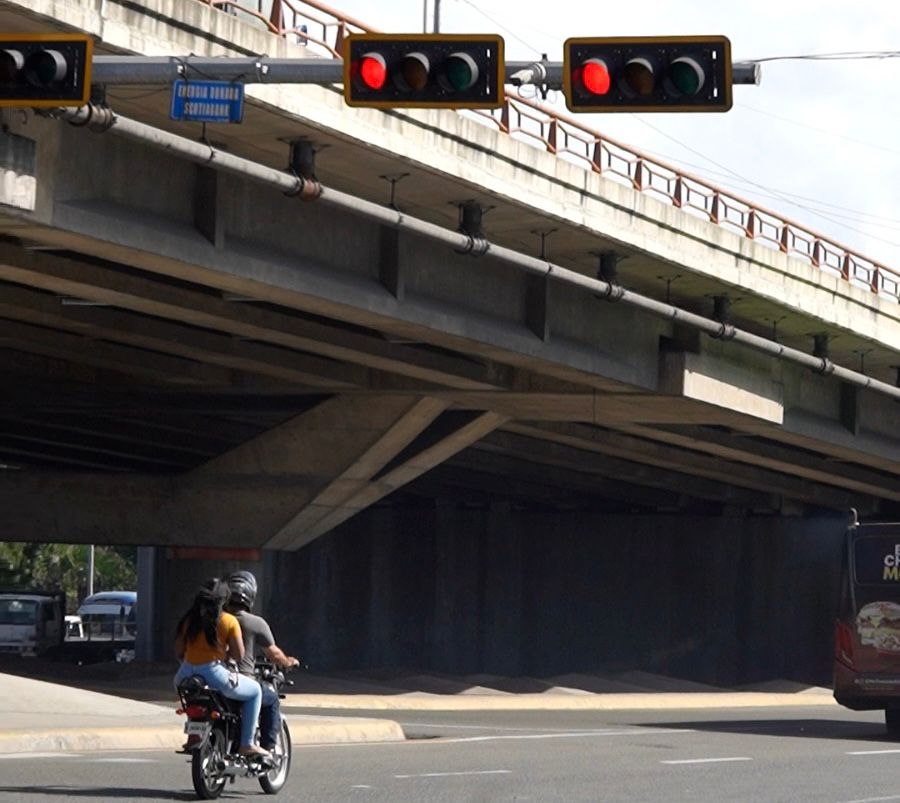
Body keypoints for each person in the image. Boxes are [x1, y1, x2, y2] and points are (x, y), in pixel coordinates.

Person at [173, 578, 268, 757]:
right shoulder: (228, 621)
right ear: (223, 599)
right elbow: (239, 655)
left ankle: (194, 735)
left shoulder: (189, 621)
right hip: (214, 674)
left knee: (193, 700)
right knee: (255, 691)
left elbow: (179, 650)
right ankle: (247, 744)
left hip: (184, 675)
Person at [224, 570, 300, 751]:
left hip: (214, 679)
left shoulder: (217, 619)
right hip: (241, 680)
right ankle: (267, 748)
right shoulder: (255, 623)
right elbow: (274, 654)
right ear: (250, 595)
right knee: (271, 698)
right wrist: (288, 661)